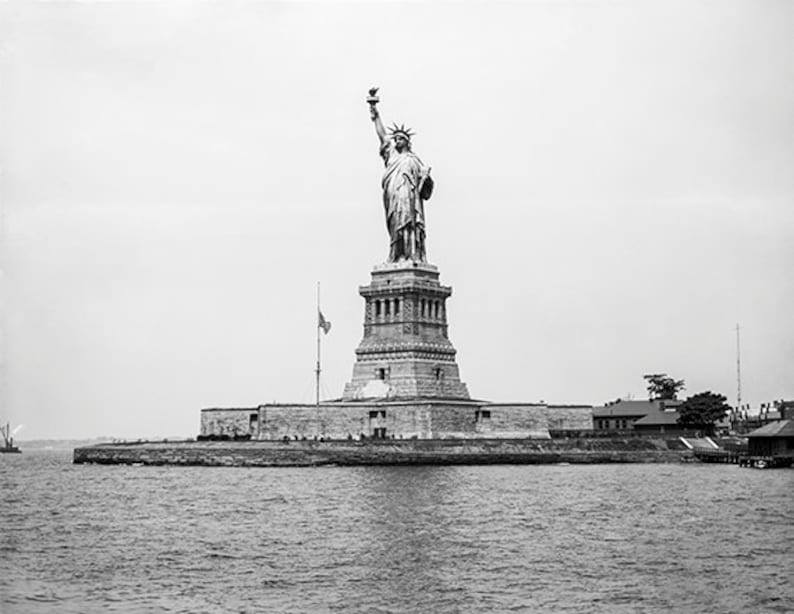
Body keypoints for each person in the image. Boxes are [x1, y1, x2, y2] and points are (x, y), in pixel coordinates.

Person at [368, 91, 434, 262]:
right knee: (396, 224)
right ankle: (396, 255)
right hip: (393, 196)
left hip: (410, 198)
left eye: (400, 139)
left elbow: (425, 189)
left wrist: (426, 178)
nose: (396, 141)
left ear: (407, 141)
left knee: (409, 223)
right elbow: (382, 135)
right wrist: (374, 110)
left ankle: (412, 255)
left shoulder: (414, 160)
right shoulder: (391, 155)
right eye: (395, 139)